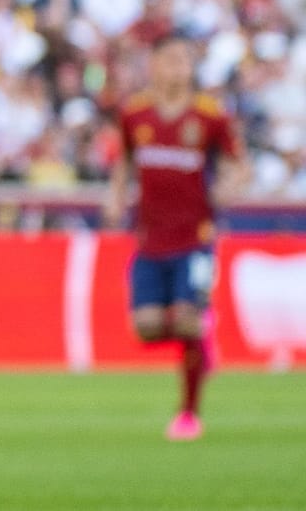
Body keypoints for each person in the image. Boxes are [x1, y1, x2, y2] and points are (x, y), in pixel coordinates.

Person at [105, 36, 248, 442]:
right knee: (146, 327)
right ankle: (204, 339)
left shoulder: (209, 116)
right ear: (153, 65)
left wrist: (229, 189)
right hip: (150, 238)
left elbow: (241, 165)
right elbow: (124, 163)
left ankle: (188, 414)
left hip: (195, 238)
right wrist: (116, 198)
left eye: (184, 61)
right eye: (168, 61)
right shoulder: (135, 114)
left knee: (186, 320)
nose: (176, 69)